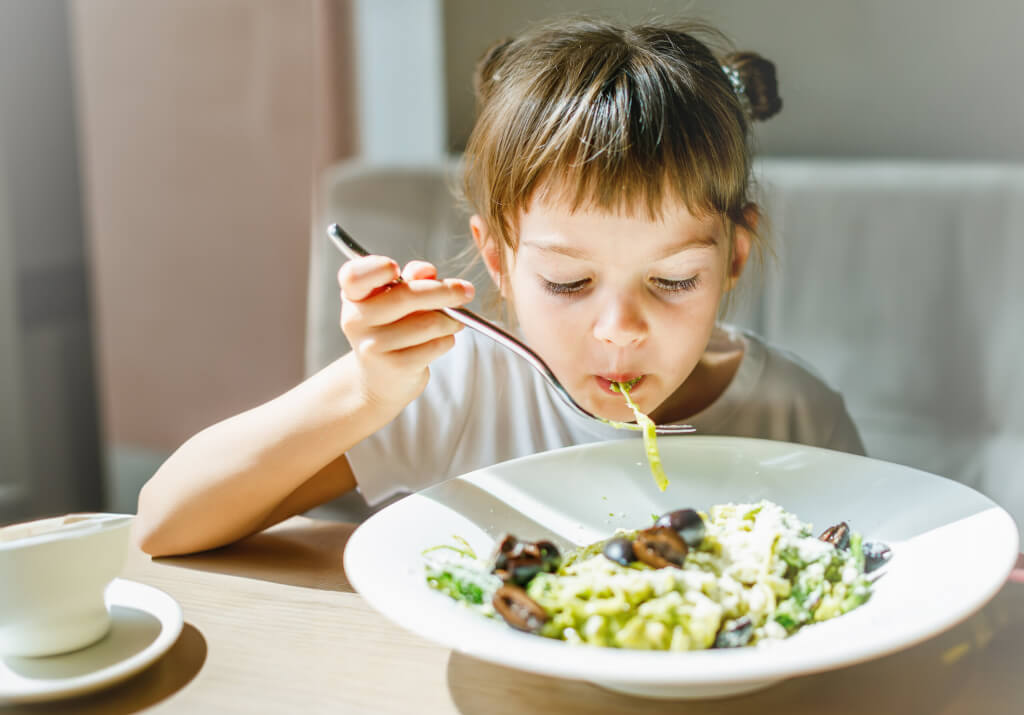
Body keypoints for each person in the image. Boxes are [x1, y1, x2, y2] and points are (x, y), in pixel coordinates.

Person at [134, 17, 864, 557]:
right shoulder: (456, 390)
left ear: (734, 256)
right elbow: (165, 521)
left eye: (673, 280)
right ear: (498, 260)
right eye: (568, 280)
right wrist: (368, 390)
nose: (620, 328)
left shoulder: (797, 418)